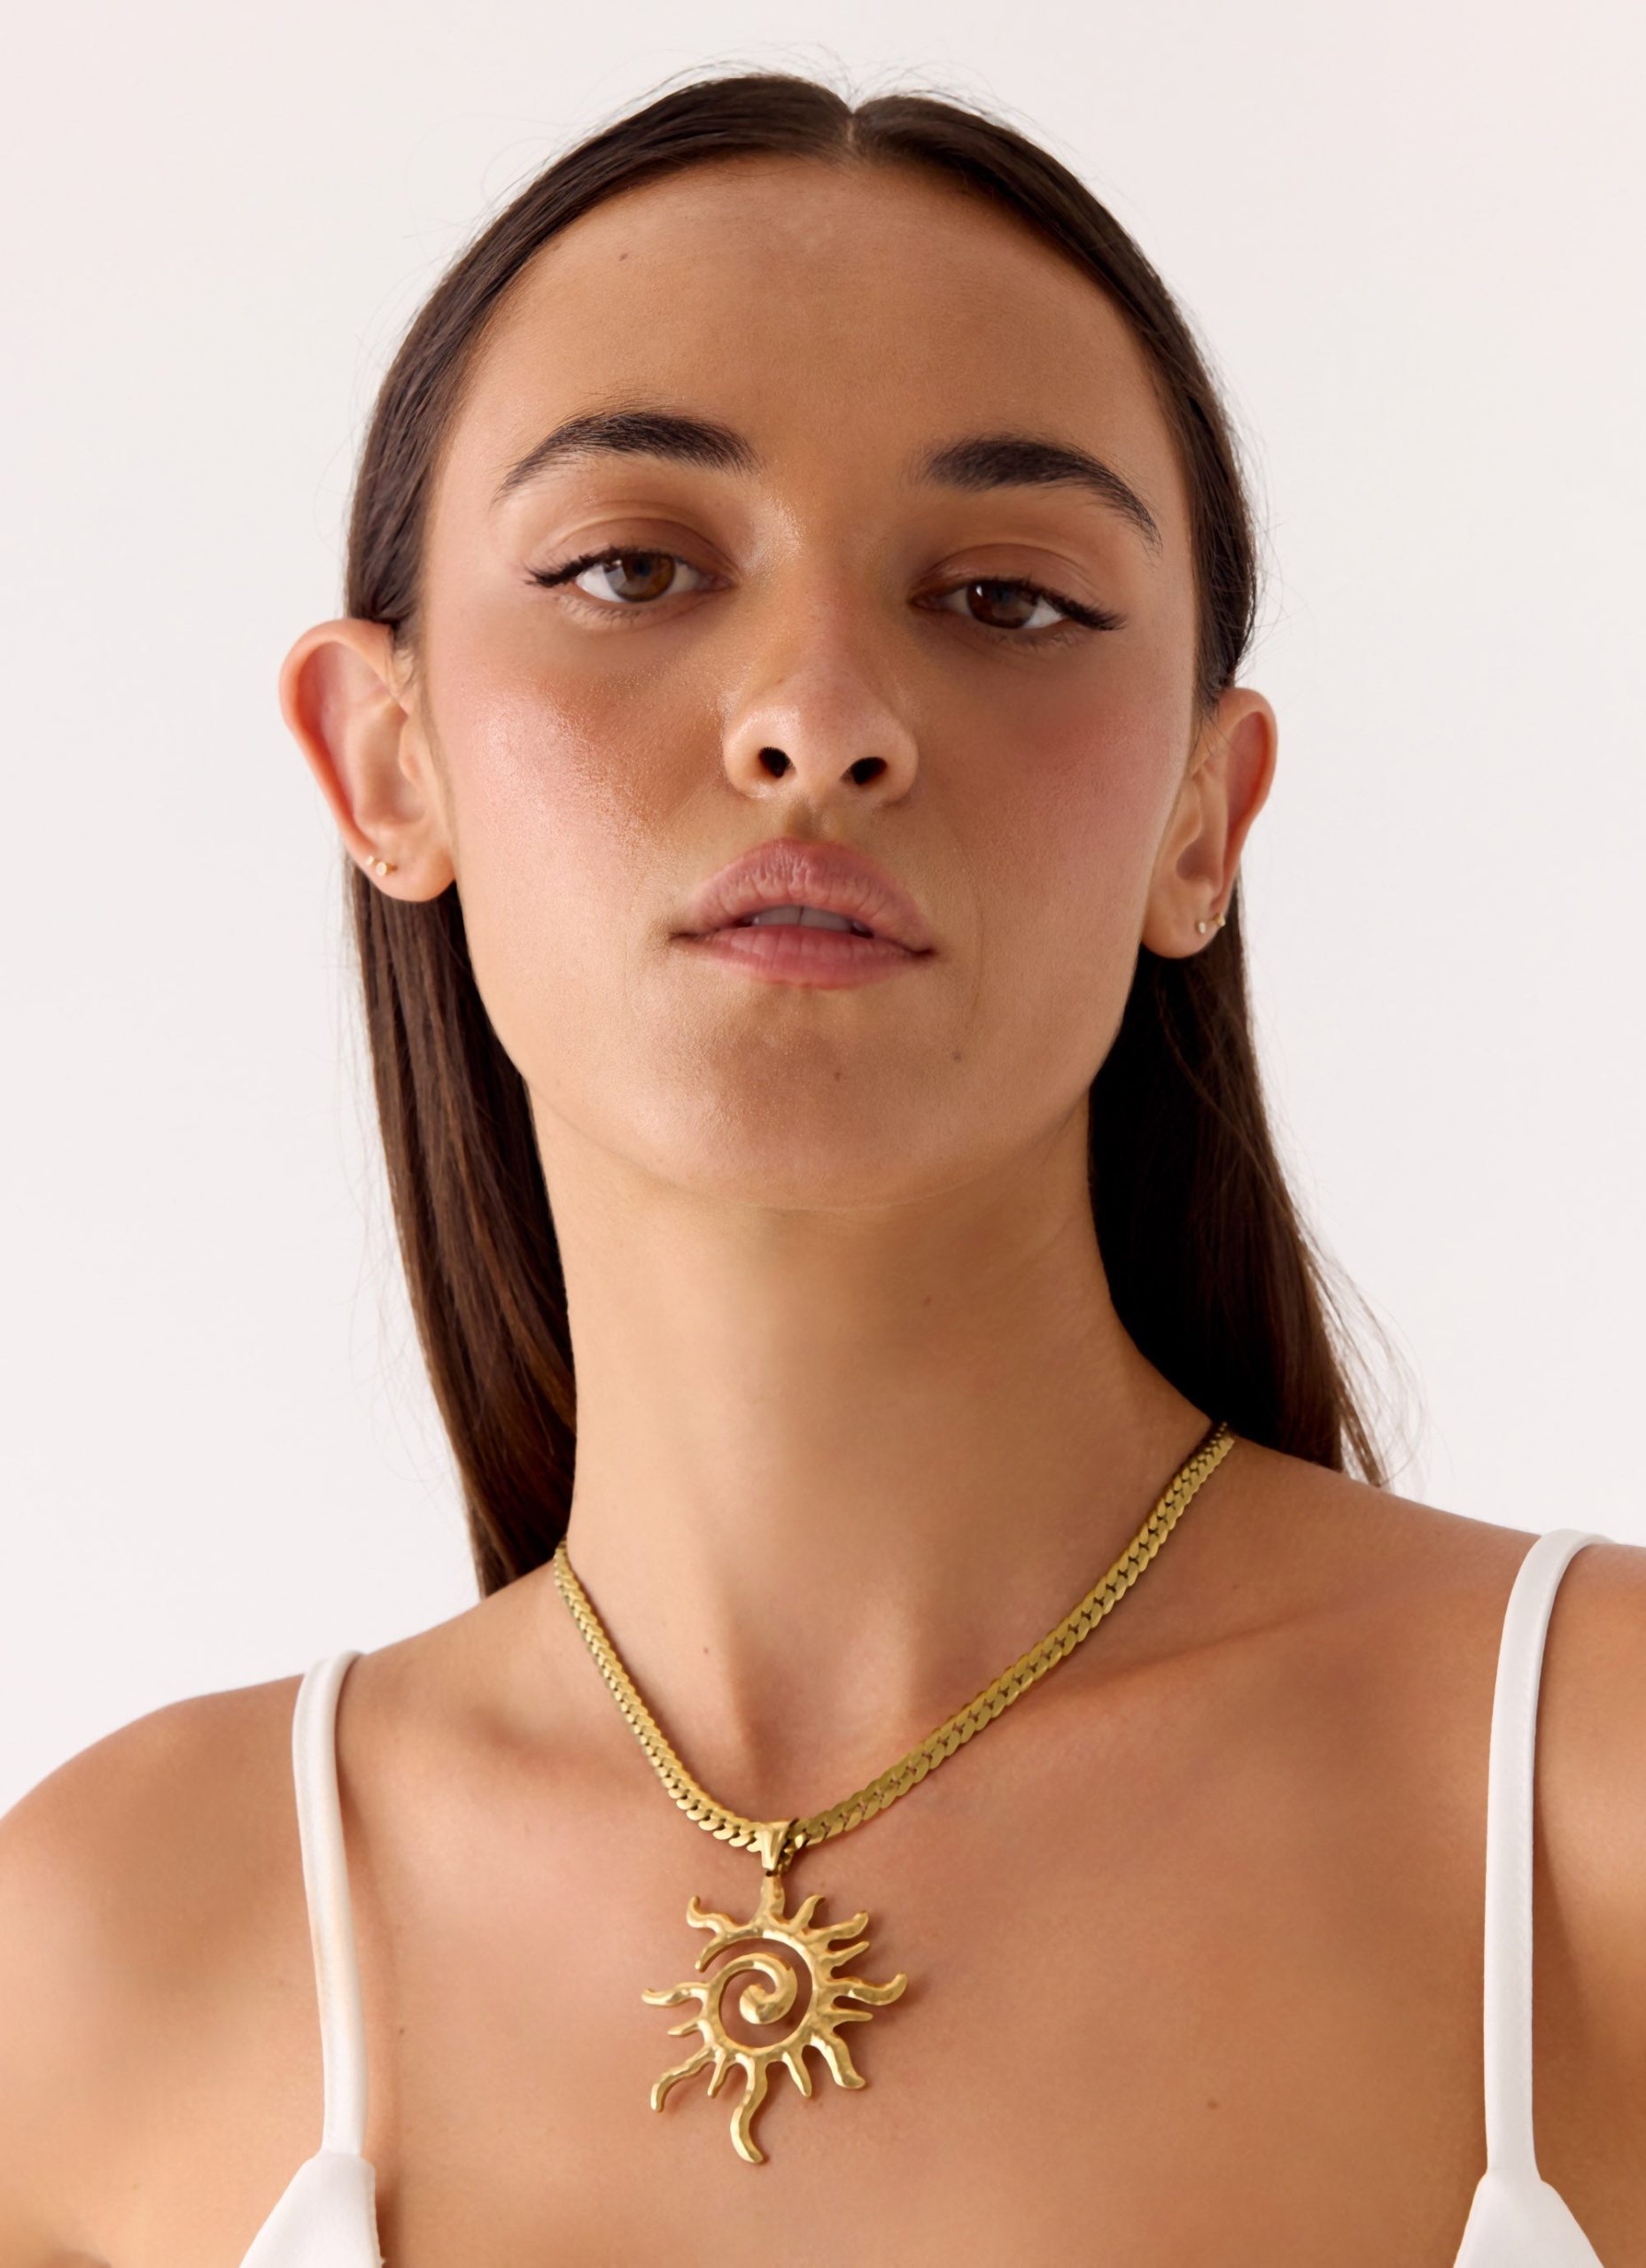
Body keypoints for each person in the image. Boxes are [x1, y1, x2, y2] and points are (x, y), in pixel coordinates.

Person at [1, 69, 1641, 2267]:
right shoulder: (103, 1967)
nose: (817, 715)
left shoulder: (1589, 1806)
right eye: (632, 568)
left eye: (1006, 597)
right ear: (382, 759)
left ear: (1203, 818)